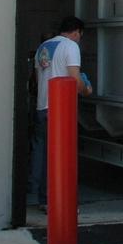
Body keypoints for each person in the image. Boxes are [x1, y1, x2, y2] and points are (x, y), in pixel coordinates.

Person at [28, 15, 91, 210]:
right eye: (80, 35)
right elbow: (74, 78)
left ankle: (44, 199)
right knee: (62, 157)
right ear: (77, 32)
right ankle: (60, 203)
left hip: (42, 106)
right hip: (60, 108)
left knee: (44, 155)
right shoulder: (70, 46)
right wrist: (86, 90)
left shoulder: (43, 47)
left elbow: (37, 80)